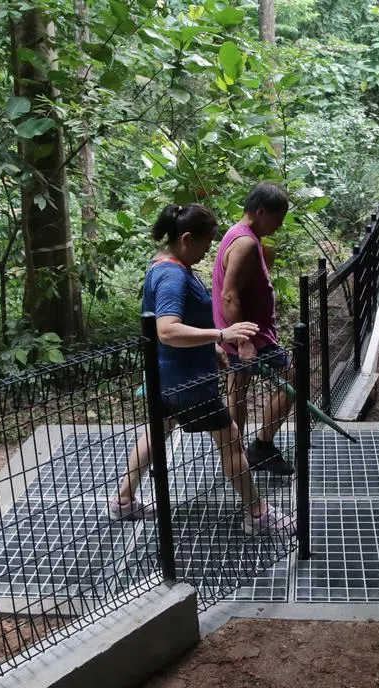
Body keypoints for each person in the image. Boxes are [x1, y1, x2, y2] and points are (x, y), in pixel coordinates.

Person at [109, 202, 295, 536]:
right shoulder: (172, 276)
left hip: (164, 376)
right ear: (186, 238)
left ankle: (123, 500)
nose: (208, 251)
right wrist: (221, 334)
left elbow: (174, 326)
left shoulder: (162, 265)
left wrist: (209, 347)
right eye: (205, 244)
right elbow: (166, 328)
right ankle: (258, 513)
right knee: (231, 441)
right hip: (186, 383)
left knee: (156, 430)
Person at [211, 183, 294, 476]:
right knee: (291, 380)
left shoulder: (239, 235)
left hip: (237, 331)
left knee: (238, 389)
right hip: (250, 335)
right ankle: (261, 446)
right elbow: (229, 294)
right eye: (277, 218)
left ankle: (234, 457)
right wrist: (245, 342)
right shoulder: (245, 243)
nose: (280, 225)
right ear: (261, 212)